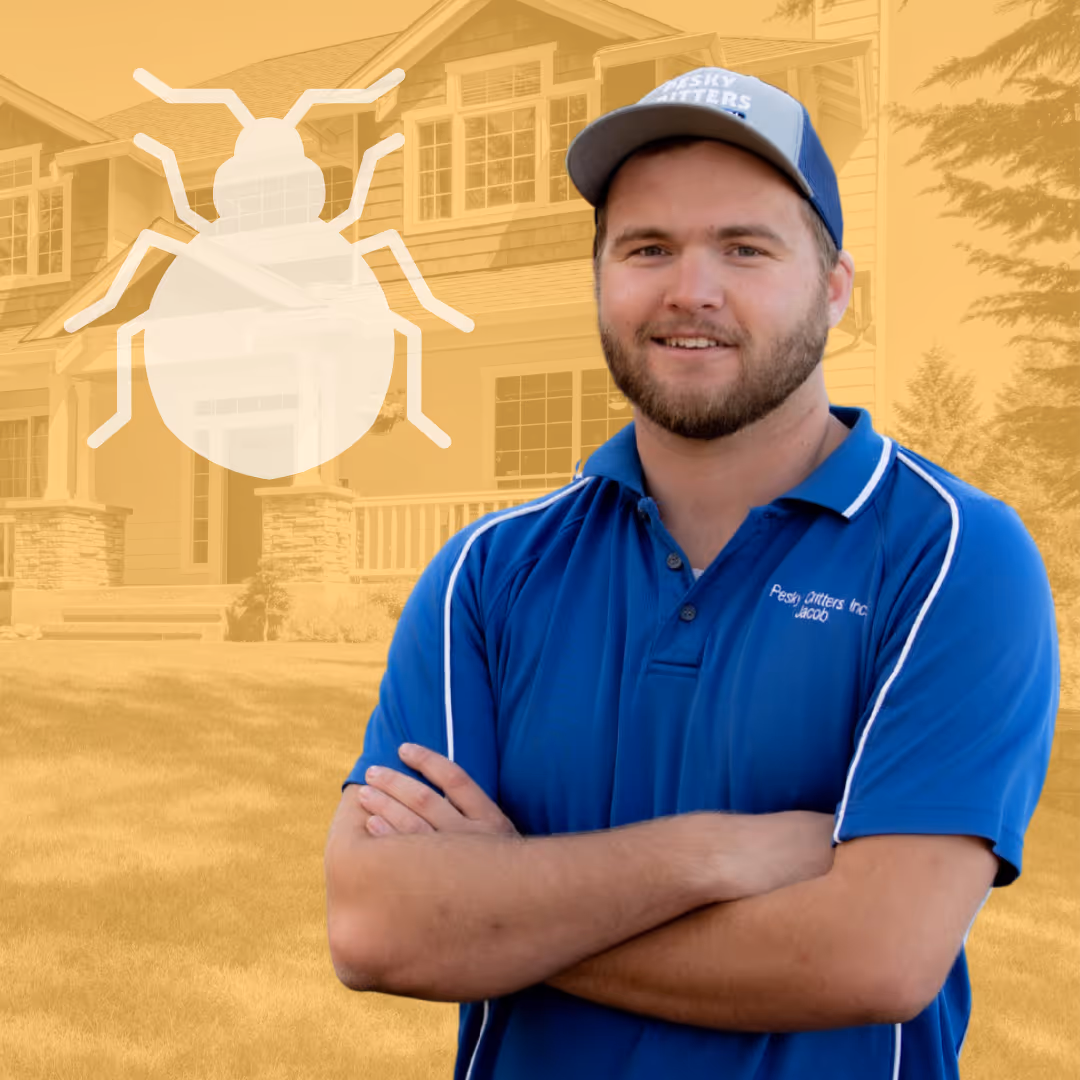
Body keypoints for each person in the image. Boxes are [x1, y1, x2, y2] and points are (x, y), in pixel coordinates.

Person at [323, 66, 1059, 1080]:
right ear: (599, 280)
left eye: (744, 248)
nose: (691, 290)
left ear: (837, 285)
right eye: (648, 248)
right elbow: (377, 927)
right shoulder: (486, 575)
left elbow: (878, 956)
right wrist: (715, 855)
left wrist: (501, 910)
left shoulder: (951, 556)